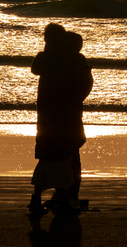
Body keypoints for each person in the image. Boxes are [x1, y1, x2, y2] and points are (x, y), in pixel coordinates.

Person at [29, 23, 93, 217]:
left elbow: (36, 68)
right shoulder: (69, 57)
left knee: (50, 154)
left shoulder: (48, 57)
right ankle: (66, 195)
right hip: (66, 113)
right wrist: (75, 100)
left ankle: (48, 196)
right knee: (68, 153)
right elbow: (85, 83)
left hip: (49, 114)